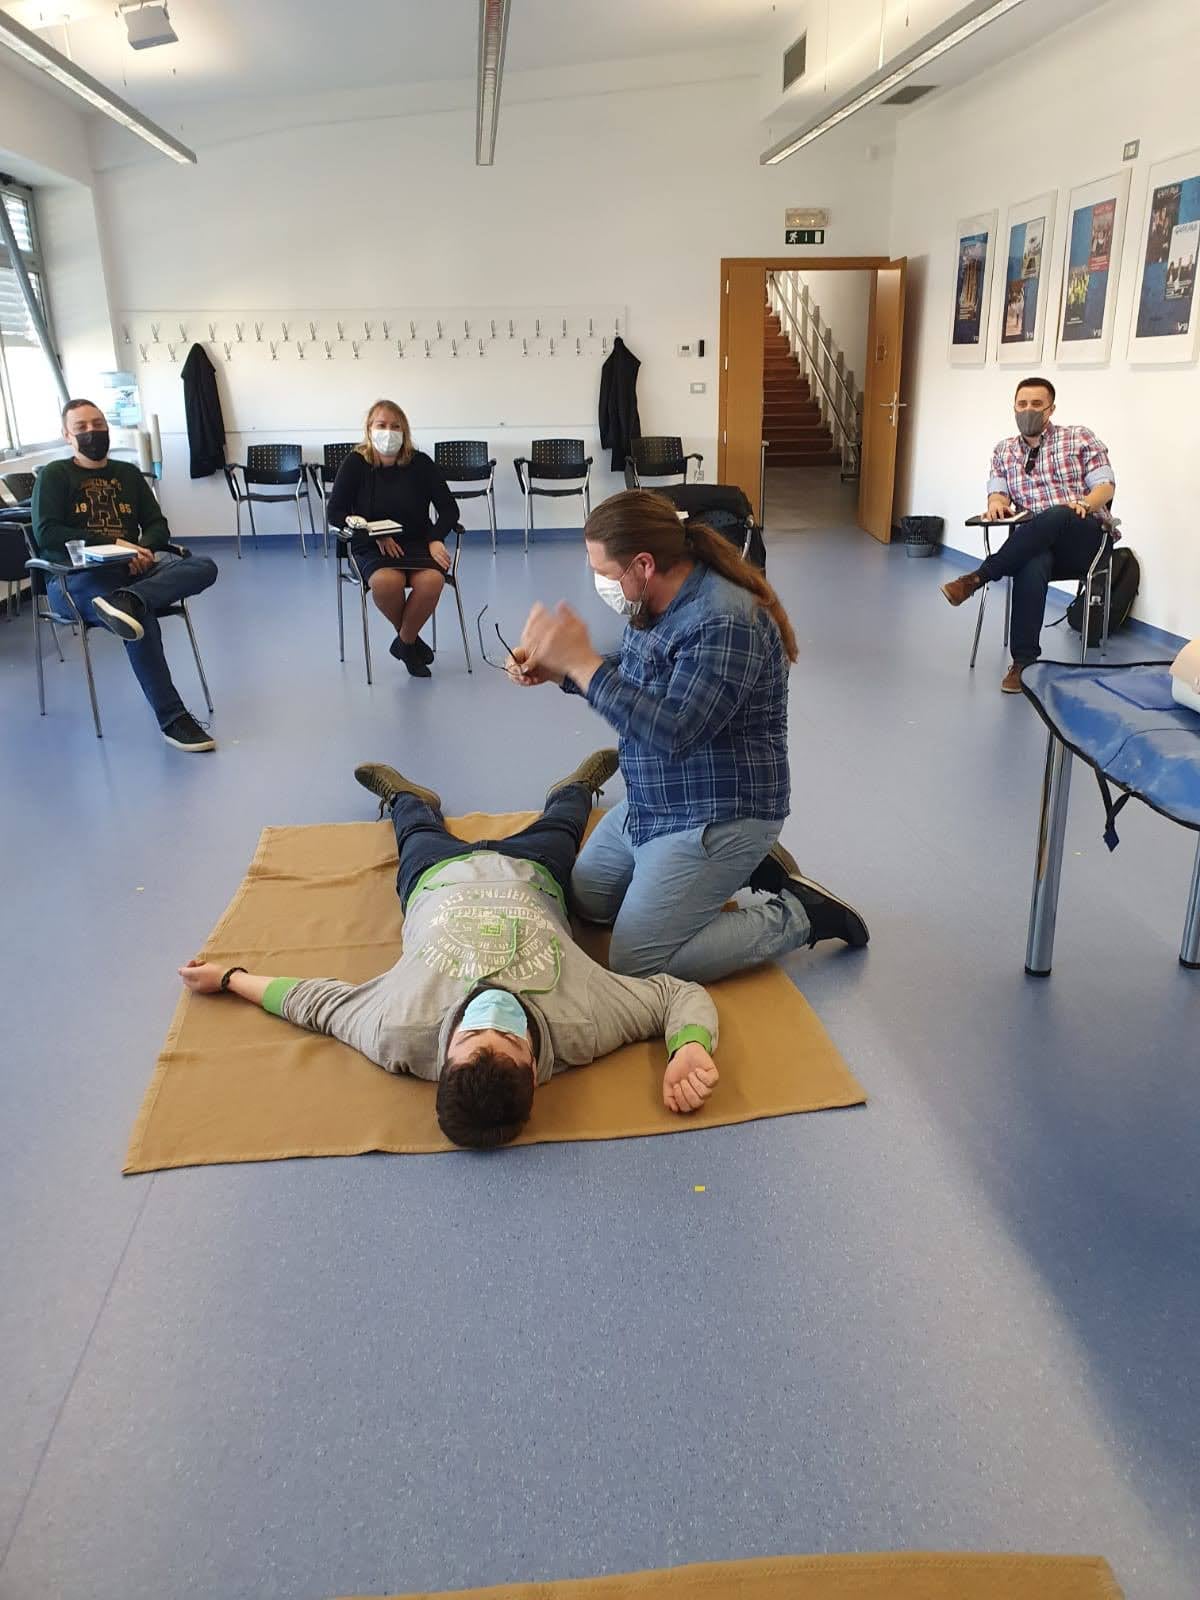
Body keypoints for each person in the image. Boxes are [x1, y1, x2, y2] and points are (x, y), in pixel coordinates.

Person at [177, 750, 722, 1150]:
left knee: (412, 825)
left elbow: (316, 1004)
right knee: (564, 822)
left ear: (442, 1059)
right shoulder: (585, 1023)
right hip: (534, 873)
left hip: (435, 876)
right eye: (509, 1037)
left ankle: (407, 796)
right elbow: (675, 995)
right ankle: (575, 786)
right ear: (535, 1069)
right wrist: (690, 1047)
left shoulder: (399, 1029)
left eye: (470, 1034)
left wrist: (229, 979)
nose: (492, 1012)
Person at [507, 489, 869, 983]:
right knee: (589, 902)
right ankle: (737, 869)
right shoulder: (655, 598)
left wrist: (585, 664)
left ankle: (803, 914)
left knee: (638, 961)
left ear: (643, 564)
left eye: (604, 571)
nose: (598, 582)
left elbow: (675, 732)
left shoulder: (725, 619)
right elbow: (638, 670)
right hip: (655, 800)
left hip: (718, 811)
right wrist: (561, 671)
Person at [31, 398, 219, 750]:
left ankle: (127, 600)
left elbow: (157, 525)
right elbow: (47, 533)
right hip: (75, 580)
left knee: (203, 566)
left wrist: (142, 550)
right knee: (138, 618)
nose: (92, 432)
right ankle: (173, 719)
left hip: (132, 575)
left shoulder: (128, 474)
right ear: (67, 435)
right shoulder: (54, 475)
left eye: (98, 424)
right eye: (82, 427)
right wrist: (114, 542)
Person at [940, 376, 1117, 693]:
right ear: (1014, 407)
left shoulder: (1079, 437)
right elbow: (997, 492)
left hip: (1083, 536)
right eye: (1022, 404)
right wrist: (996, 504)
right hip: (1035, 544)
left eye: (1036, 404)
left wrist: (1085, 503)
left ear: (1051, 409)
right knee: (1033, 561)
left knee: (1059, 512)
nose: (1028, 410)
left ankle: (980, 577)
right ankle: (1023, 663)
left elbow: (1105, 486)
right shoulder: (1004, 450)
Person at [324, 399, 459, 678]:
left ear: (405, 430)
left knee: (432, 581)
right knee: (387, 582)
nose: (388, 432)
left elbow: (449, 509)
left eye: (395, 426)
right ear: (369, 429)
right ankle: (411, 643)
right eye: (381, 425)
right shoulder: (355, 463)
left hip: (417, 542)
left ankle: (404, 643)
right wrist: (374, 533)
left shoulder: (421, 463)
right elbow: (335, 512)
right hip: (370, 544)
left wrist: (435, 538)